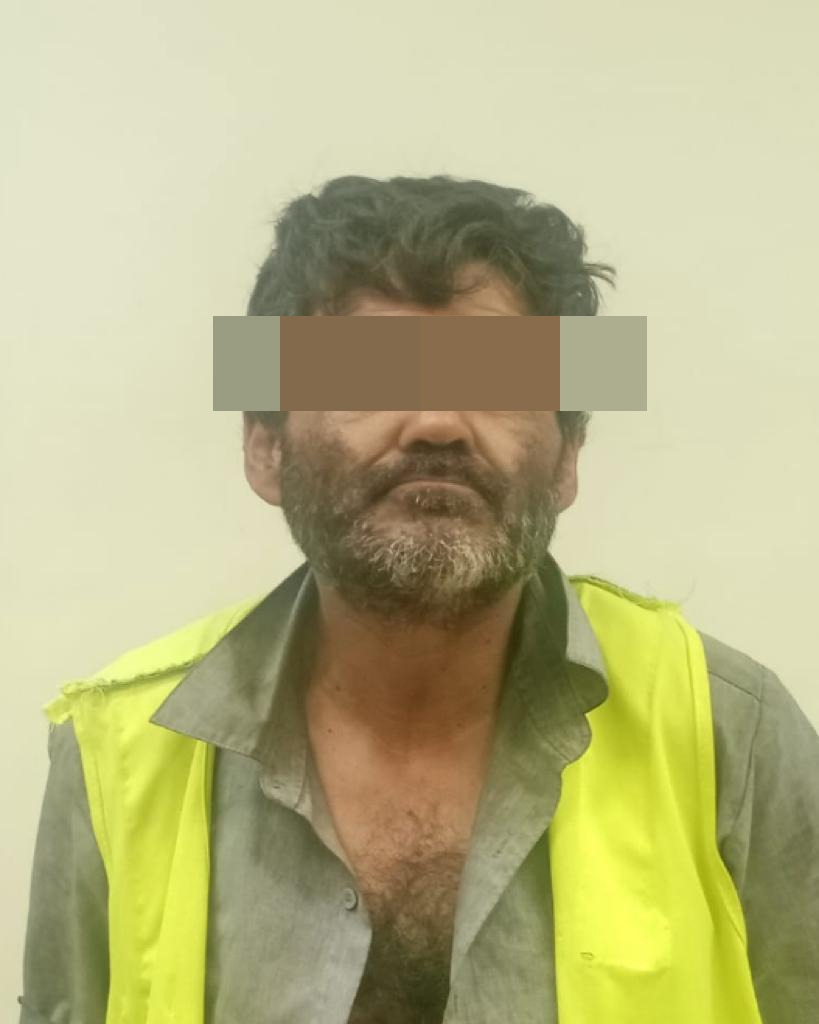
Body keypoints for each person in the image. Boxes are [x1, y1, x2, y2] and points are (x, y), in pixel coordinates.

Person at [18, 175, 819, 1024]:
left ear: (567, 457)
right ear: (264, 446)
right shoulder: (116, 748)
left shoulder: (732, 731)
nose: (438, 421)